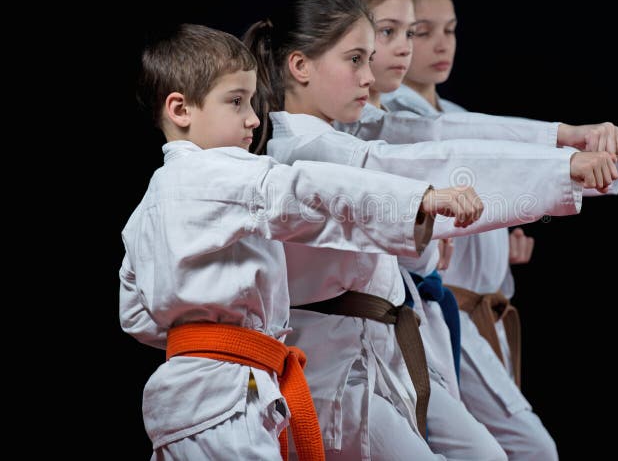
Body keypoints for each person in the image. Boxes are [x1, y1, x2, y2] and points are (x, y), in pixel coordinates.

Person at [244, 0, 618, 459]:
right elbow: (401, 167)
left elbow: (434, 134)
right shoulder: (302, 149)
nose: (370, 74)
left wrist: (563, 142)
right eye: (356, 59)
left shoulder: (334, 136)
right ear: (300, 66)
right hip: (333, 372)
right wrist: (561, 167)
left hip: (380, 352)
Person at [119, 23, 485, 460]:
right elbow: (306, 189)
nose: (253, 119)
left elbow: (137, 317)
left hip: (182, 401)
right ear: (180, 109)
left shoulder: (147, 208)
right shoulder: (220, 172)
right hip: (229, 400)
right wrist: (419, 198)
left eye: (252, 102)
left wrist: (198, 335)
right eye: (236, 102)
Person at [381, 0, 618, 460]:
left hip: (475, 313)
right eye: (417, 31)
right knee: (526, 449)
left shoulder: (452, 113)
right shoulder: (393, 121)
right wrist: (578, 148)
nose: (435, 44)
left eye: (450, 29)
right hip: (434, 318)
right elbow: (473, 158)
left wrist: (497, 256)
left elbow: (494, 164)